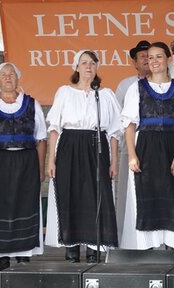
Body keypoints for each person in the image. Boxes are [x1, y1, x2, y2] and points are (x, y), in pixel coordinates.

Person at [120, 42, 174, 254]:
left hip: (173, 145)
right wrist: (132, 155)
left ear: (168, 59)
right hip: (146, 145)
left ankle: (173, 248)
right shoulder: (137, 88)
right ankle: (149, 248)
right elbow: (129, 124)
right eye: (150, 57)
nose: (153, 61)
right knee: (147, 194)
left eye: (158, 57)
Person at [45, 50, 121, 263]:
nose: (88, 66)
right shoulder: (65, 92)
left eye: (92, 63)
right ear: (76, 67)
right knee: (71, 194)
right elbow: (54, 128)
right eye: (84, 62)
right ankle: (71, 248)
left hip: (97, 146)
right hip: (69, 146)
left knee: (96, 195)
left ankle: (94, 248)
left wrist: (114, 161)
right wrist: (51, 159)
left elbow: (115, 132)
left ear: (97, 67)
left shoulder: (105, 95)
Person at [0, 62, 47, 276]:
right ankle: (1, 257)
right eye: (4, 75)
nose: (8, 78)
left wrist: (40, 168)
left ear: (18, 79)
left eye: (12, 75)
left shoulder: (32, 104)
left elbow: (41, 138)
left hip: (25, 160)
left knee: (24, 204)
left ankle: (23, 252)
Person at [115, 40, 151, 245]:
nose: (147, 60)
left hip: (157, 144)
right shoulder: (126, 85)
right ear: (135, 62)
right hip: (131, 144)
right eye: (142, 57)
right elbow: (118, 117)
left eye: (150, 56)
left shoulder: (167, 83)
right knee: (129, 193)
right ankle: (127, 239)